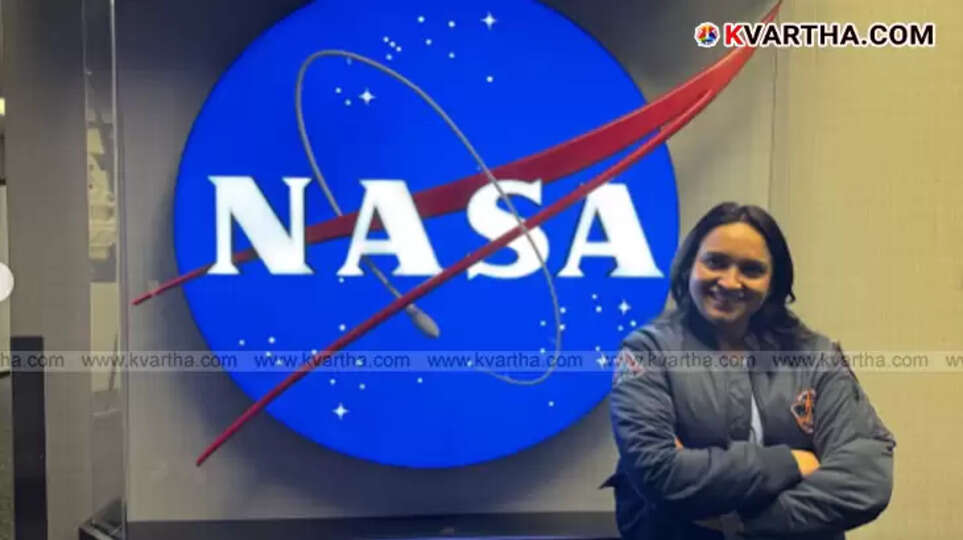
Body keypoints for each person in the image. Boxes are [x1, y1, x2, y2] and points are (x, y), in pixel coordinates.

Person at [603, 202, 895, 539]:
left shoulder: (816, 357)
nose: (729, 282)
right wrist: (791, 463)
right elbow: (660, 473)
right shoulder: (646, 352)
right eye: (715, 262)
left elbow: (866, 479)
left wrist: (742, 525)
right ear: (688, 267)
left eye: (751, 270)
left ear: (774, 283)